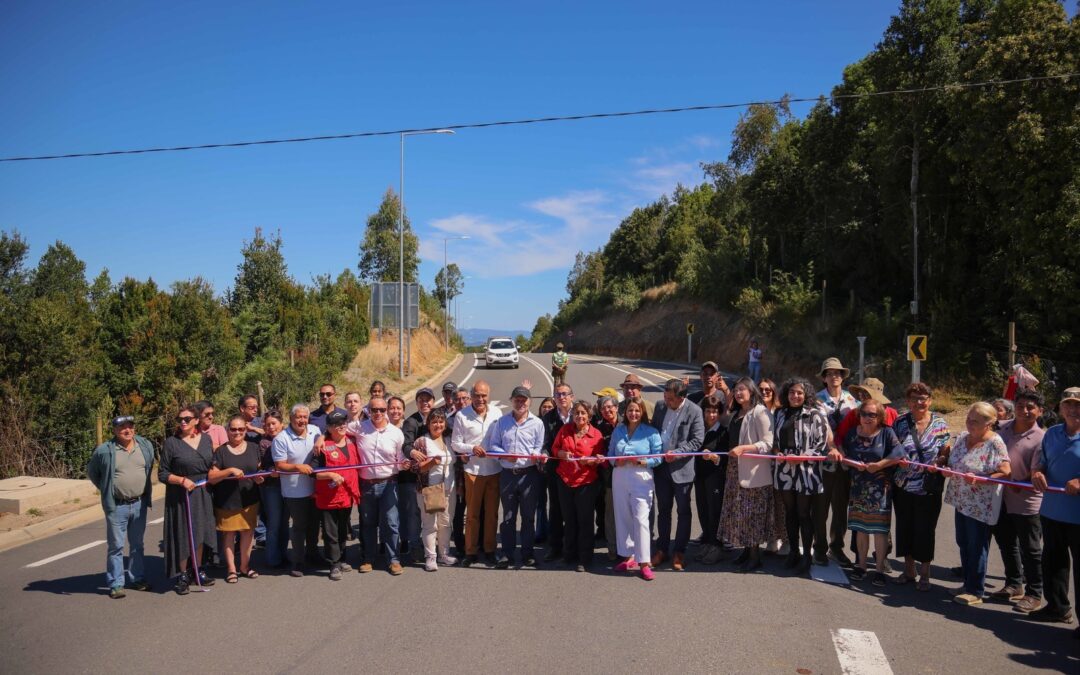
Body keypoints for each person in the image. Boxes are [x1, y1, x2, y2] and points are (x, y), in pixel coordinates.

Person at [945, 401, 1012, 606]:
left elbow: (1006, 471)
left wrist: (982, 478)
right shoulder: (964, 438)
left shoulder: (995, 442)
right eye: (968, 419)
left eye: (974, 421)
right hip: (961, 500)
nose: (969, 423)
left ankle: (976, 590)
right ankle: (967, 584)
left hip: (980, 504)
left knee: (977, 546)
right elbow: (954, 462)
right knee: (963, 543)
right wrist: (945, 467)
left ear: (989, 423)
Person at [86, 415, 155, 598]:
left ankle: (137, 578)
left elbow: (149, 467)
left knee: (137, 545)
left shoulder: (145, 446)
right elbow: (93, 472)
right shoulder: (105, 451)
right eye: (122, 427)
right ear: (115, 430)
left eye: (130, 426)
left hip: (139, 503)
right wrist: (107, 487)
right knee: (116, 546)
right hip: (117, 506)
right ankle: (116, 583)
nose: (127, 430)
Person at [989, 388, 1045, 612]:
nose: (1025, 410)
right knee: (1006, 543)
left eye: (1031, 407)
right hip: (1000, 497)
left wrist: (1015, 479)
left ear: (1040, 411)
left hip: (1027, 502)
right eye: (1021, 405)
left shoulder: (1042, 438)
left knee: (1030, 549)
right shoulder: (1001, 428)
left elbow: (1039, 470)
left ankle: (1034, 593)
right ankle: (1014, 584)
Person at [1029, 386, 1080, 632]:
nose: (1073, 409)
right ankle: (1057, 608)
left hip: (1078, 517)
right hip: (1052, 512)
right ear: (1060, 409)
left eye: (1078, 405)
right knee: (1054, 563)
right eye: (1068, 404)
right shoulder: (1053, 433)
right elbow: (1042, 463)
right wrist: (1037, 472)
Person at [891, 383, 951, 592]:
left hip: (928, 486)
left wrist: (940, 462)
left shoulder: (940, 423)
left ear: (930, 400)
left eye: (923, 398)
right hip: (903, 484)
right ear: (907, 401)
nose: (919, 402)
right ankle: (909, 570)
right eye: (915, 398)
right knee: (905, 526)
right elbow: (892, 447)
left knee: (926, 530)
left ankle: (925, 573)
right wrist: (898, 459)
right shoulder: (900, 422)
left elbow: (945, 449)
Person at [839, 398, 903, 587]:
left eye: (872, 415)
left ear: (880, 416)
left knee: (879, 531)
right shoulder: (852, 434)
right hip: (858, 488)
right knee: (860, 528)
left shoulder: (886, 433)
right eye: (864, 414)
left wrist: (880, 465)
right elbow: (844, 454)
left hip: (880, 490)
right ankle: (861, 565)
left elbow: (899, 453)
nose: (867, 418)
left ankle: (880, 570)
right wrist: (851, 463)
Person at [718, 378, 777, 573]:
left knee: (752, 514)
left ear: (752, 391)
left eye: (742, 389)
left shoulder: (760, 412)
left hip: (753, 471)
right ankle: (745, 551)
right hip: (735, 469)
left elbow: (768, 444)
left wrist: (744, 448)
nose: (738, 393)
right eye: (736, 390)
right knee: (740, 513)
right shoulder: (737, 412)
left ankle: (754, 556)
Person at [772, 378, 830, 573]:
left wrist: (802, 457)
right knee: (790, 512)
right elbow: (775, 440)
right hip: (785, 469)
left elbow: (821, 445)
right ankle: (793, 552)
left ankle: (806, 556)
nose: (795, 396)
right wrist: (778, 452)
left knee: (804, 513)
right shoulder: (780, 413)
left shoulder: (815, 414)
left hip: (806, 470)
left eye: (799, 393)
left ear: (806, 395)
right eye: (791, 393)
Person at [159, 406, 217, 594]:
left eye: (186, 418)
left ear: (196, 421)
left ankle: (197, 569)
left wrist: (215, 472)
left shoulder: (206, 439)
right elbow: (162, 473)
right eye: (179, 419)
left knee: (200, 531)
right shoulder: (171, 443)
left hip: (202, 492)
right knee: (183, 533)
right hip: (181, 494)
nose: (182, 422)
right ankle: (182, 574)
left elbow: (212, 463)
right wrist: (181, 480)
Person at [349, 396, 407, 575]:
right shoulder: (359, 428)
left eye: (382, 410)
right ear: (368, 411)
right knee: (368, 523)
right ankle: (368, 558)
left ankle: (393, 560)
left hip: (389, 483)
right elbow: (337, 429)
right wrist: (321, 438)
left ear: (387, 411)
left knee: (391, 523)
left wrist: (404, 464)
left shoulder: (396, 433)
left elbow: (400, 459)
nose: (378, 413)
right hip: (366, 485)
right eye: (374, 410)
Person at [490, 385, 546, 568]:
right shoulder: (502, 422)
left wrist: (537, 455)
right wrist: (505, 455)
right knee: (508, 516)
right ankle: (507, 554)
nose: (520, 402)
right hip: (508, 475)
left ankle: (527, 553)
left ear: (530, 402)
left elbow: (539, 446)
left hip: (529, 475)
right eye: (517, 399)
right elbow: (494, 446)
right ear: (511, 400)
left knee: (528, 517)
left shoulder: (537, 423)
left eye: (524, 400)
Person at [651, 379, 704, 571]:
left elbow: (697, 440)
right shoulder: (659, 407)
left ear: (682, 397)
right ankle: (661, 549)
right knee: (663, 510)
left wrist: (679, 453)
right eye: (665, 397)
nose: (667, 402)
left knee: (683, 512)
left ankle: (679, 552)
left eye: (671, 399)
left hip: (682, 470)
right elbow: (654, 431)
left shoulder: (694, 411)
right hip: (661, 469)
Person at [609, 399, 662, 581]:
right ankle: (628, 556)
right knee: (623, 516)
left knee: (641, 519)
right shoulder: (618, 430)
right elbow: (610, 454)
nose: (633, 414)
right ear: (625, 413)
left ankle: (644, 561)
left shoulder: (651, 432)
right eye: (630, 410)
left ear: (643, 413)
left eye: (637, 411)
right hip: (620, 475)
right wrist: (617, 461)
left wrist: (643, 461)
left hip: (641, 476)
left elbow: (658, 457)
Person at [451, 381, 503, 567]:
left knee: (491, 514)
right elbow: (456, 443)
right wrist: (471, 448)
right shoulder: (462, 416)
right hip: (472, 471)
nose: (480, 399)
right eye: (477, 395)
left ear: (488, 395)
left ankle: (489, 550)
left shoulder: (497, 413)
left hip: (494, 469)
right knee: (472, 515)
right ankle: (470, 551)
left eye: (484, 395)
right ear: (471, 396)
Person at [207, 416, 263, 584]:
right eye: (233, 429)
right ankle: (232, 569)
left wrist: (259, 479)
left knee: (248, 533)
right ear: (227, 431)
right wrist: (229, 470)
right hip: (227, 502)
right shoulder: (221, 452)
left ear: (245, 431)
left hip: (250, 499)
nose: (237, 432)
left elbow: (257, 470)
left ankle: (245, 567)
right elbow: (212, 477)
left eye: (241, 429)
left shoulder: (254, 448)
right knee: (228, 535)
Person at [552, 400, 605, 571]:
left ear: (589, 416)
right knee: (569, 519)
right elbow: (555, 450)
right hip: (565, 480)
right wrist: (562, 453)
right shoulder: (565, 430)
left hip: (586, 483)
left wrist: (591, 461)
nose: (580, 416)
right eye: (577, 413)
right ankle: (569, 555)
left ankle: (585, 558)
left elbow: (601, 459)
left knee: (585, 520)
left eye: (583, 413)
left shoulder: (596, 435)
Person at [272, 404, 323, 578]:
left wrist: (321, 438)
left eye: (304, 417)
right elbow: (279, 465)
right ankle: (298, 561)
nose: (302, 420)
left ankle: (313, 554)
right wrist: (296, 467)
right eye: (298, 417)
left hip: (315, 488)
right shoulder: (281, 438)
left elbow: (326, 433)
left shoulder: (315, 430)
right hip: (294, 491)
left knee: (314, 525)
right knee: (299, 527)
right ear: (291, 418)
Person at [816, 357, 859, 567]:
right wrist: (832, 446)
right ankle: (820, 547)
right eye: (830, 373)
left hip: (846, 460)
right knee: (821, 506)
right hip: (824, 459)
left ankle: (837, 547)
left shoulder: (853, 401)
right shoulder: (816, 400)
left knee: (841, 507)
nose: (834, 376)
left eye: (838, 373)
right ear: (824, 378)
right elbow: (819, 428)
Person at [313, 411, 360, 581]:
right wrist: (331, 475)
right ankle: (333, 564)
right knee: (330, 532)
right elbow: (313, 472)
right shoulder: (322, 446)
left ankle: (342, 558)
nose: (341, 426)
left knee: (343, 530)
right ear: (329, 428)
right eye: (337, 424)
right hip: (329, 497)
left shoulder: (351, 440)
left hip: (347, 495)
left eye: (343, 423)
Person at [415, 409, 457, 571]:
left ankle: (444, 554)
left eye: (440, 422)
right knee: (430, 524)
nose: (438, 425)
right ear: (428, 424)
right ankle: (430, 556)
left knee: (446, 523)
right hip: (429, 489)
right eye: (434, 422)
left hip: (449, 489)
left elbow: (457, 464)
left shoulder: (449, 440)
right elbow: (415, 468)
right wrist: (431, 463)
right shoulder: (422, 442)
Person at [401, 388, 437, 564]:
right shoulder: (411, 422)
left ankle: (432, 546)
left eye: (428, 400)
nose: (425, 403)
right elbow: (406, 445)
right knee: (414, 514)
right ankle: (415, 546)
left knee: (432, 512)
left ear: (433, 401)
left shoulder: (438, 419)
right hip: (413, 477)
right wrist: (413, 451)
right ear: (416, 403)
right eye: (421, 400)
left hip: (433, 476)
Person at [539, 382, 573, 562]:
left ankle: (574, 547)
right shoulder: (548, 418)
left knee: (575, 511)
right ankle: (555, 547)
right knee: (556, 509)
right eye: (558, 395)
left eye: (565, 394)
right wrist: (544, 454)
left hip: (578, 471)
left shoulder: (580, 413)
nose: (562, 397)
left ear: (571, 397)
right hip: (555, 470)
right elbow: (544, 443)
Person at [696, 396, 728, 565]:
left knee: (714, 511)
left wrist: (715, 457)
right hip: (699, 476)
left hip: (715, 477)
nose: (711, 415)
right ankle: (707, 541)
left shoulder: (723, 432)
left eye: (715, 411)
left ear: (719, 413)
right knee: (702, 509)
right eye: (708, 411)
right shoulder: (698, 430)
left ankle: (717, 545)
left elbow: (726, 458)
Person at [256, 410, 290, 568]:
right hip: (271, 487)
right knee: (274, 522)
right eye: (268, 424)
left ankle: (283, 554)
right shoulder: (264, 443)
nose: (271, 427)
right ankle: (272, 558)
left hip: (288, 486)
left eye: (274, 423)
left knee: (284, 522)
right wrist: (271, 473)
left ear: (281, 424)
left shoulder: (289, 438)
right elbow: (262, 467)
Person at [593, 394, 621, 561]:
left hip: (628, 473)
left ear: (617, 408)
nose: (607, 410)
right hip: (608, 476)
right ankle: (612, 547)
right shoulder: (598, 428)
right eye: (603, 408)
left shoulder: (627, 423)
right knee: (610, 512)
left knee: (627, 512)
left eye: (610, 407)